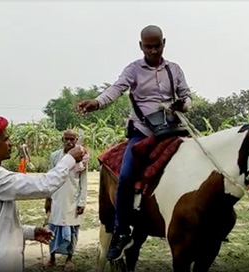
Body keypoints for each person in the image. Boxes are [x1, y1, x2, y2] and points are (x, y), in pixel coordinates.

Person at [78, 25, 192, 261]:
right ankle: (121, 230)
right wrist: (97, 103)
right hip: (143, 132)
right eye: (148, 46)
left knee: (200, 166)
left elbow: (186, 95)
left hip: (173, 129)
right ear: (141, 46)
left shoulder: (174, 69)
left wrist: (184, 104)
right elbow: (115, 89)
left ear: (164, 43)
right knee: (127, 175)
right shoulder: (133, 70)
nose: (153, 50)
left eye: (157, 45)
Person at [0, 113, 84, 272]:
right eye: (5, 139)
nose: (11, 143)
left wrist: (29, 232)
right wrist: (70, 159)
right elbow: (43, 185)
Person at [44, 130, 88, 271]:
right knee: (52, 228)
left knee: (72, 229)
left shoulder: (82, 157)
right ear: (62, 139)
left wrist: (82, 202)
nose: (69, 142)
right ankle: (52, 258)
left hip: (72, 200)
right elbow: (49, 178)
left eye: (72, 139)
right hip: (56, 199)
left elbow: (83, 182)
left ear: (77, 140)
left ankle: (69, 259)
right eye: (66, 139)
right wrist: (48, 199)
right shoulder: (54, 156)